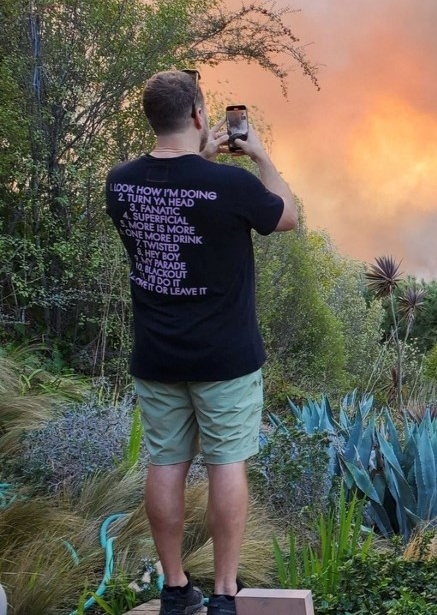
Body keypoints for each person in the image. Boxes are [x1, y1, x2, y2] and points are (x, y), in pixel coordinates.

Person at [105, 70, 298, 615]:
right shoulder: (231, 186)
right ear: (198, 115)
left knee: (164, 465)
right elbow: (287, 216)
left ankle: (173, 589)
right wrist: (259, 157)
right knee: (226, 464)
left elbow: (177, 200)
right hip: (226, 360)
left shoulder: (119, 182)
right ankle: (223, 593)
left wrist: (200, 161)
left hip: (157, 356)